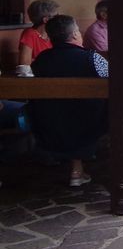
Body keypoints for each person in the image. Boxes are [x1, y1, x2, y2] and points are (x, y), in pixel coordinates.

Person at [31, 15, 108, 186]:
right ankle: (77, 167)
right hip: (89, 120)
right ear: (74, 34)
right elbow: (113, 82)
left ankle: (70, 163)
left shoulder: (41, 60)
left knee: (64, 110)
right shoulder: (93, 58)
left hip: (50, 119)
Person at [19, 0, 59, 65]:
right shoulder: (30, 33)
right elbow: (24, 64)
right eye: (56, 16)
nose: (58, 19)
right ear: (46, 20)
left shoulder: (54, 33)